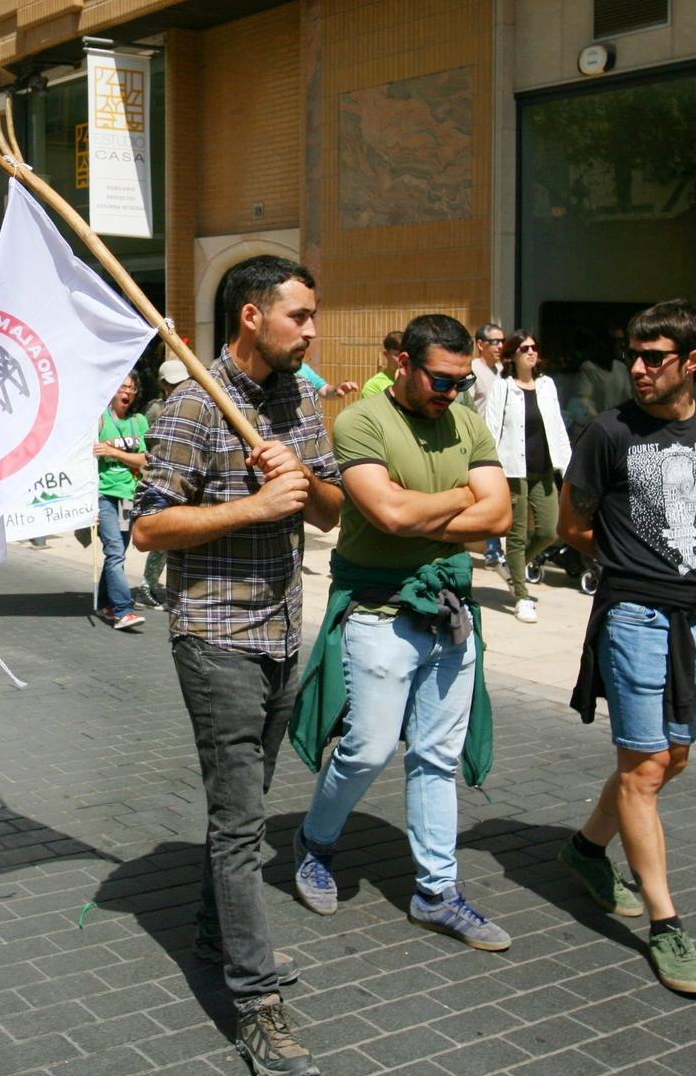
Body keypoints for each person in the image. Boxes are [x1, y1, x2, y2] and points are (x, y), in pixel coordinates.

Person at [132, 255, 343, 1076]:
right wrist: (251, 505)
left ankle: (218, 931)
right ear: (252, 316)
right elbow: (149, 529)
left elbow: (328, 510)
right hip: (217, 636)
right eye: (299, 316)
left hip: (287, 632)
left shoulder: (298, 396)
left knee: (251, 800)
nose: (312, 329)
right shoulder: (189, 404)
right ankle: (257, 1001)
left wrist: (300, 482)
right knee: (240, 822)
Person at [291, 315, 513, 952]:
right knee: (367, 748)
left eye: (462, 380)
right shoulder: (362, 420)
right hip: (378, 612)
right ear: (404, 366)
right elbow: (384, 514)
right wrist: (457, 501)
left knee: (436, 759)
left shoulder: (467, 421)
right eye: (441, 380)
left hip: (450, 614)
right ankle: (315, 841)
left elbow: (497, 514)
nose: (452, 393)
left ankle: (436, 892)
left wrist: (421, 512)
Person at [556, 299, 696, 998]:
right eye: (633, 354)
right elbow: (571, 523)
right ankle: (667, 923)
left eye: (653, 356)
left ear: (691, 362)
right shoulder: (609, 432)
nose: (637, 368)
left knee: (671, 759)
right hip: (633, 615)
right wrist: (631, 567)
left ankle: (584, 848)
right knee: (642, 770)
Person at [485, 330, 571, 623]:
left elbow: (558, 426)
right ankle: (521, 595)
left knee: (550, 531)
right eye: (524, 348)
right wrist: (489, 469)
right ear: (513, 355)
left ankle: (513, 568)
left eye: (534, 347)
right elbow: (491, 428)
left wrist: (568, 467)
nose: (531, 352)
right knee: (517, 535)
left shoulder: (547, 385)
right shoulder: (504, 387)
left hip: (544, 470)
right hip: (513, 471)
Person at [95, 372, 151, 631]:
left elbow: (145, 460)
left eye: (132, 388)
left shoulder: (139, 422)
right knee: (115, 552)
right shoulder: (99, 420)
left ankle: (105, 602)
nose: (127, 392)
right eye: (122, 387)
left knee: (117, 553)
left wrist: (114, 451)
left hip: (130, 498)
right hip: (105, 496)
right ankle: (123, 610)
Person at [137, 356, 189, 607]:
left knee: (178, 540)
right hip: (162, 480)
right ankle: (149, 584)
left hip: (186, 480)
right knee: (162, 539)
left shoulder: (192, 405)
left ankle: (168, 586)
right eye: (171, 384)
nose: (175, 388)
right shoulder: (157, 409)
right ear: (163, 384)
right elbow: (143, 441)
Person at [471, 323, 506, 570]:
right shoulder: (473, 370)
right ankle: (492, 548)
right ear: (480, 344)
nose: (500, 347)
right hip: (479, 446)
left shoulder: (503, 371)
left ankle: (495, 549)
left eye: (502, 341)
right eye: (495, 342)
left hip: (503, 445)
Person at [356, 329, 405, 400]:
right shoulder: (373, 386)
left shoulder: (416, 380)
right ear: (386, 354)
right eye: (397, 355)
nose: (402, 360)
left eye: (405, 355)